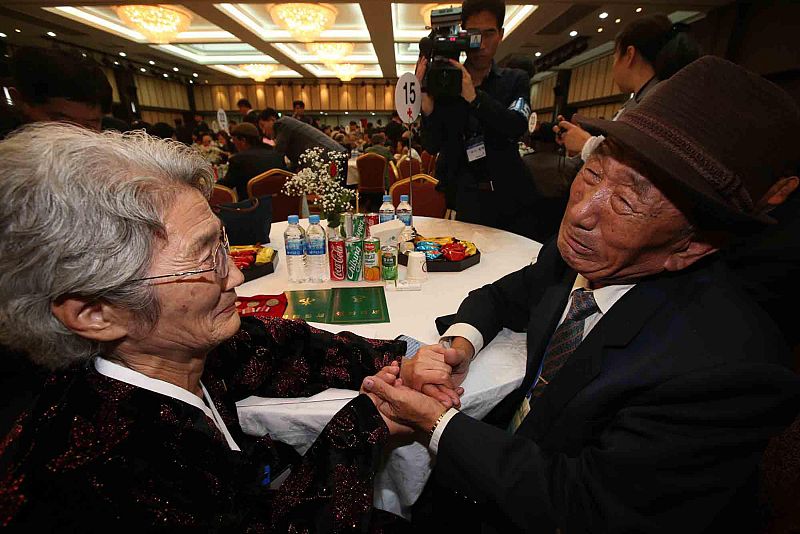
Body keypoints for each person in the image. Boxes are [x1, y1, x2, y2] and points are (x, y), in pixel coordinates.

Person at [362, 57, 800, 533]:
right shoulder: (582, 252)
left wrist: (438, 424)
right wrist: (460, 346)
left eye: (626, 202)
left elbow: (587, 506)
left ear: (691, 245)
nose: (581, 213)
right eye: (593, 173)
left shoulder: (729, 371)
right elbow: (504, 295)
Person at [0, 123, 420, 531]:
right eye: (205, 259)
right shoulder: (105, 471)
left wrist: (404, 357)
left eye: (223, 244)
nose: (236, 277)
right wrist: (365, 426)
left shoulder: (167, 350)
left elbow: (279, 343)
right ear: (95, 313)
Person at [417, 0, 537, 236]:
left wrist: (474, 97)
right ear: (462, 35)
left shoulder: (515, 80)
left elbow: (515, 126)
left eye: (489, 33)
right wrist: (427, 109)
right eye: (474, 34)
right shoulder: (445, 81)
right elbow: (432, 145)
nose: (481, 43)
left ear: (501, 34)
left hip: (508, 199)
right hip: (462, 200)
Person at [554, 15, 700, 163]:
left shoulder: (657, 104)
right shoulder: (645, 99)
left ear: (629, 55)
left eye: (615, 56)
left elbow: (636, 166)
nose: (613, 66)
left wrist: (586, 144)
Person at [0, 46, 112, 136]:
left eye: (90, 125)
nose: (77, 136)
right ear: (19, 100)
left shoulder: (112, 132)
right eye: (63, 122)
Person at [216, 123, 286, 200]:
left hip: (250, 207)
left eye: (234, 141)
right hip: (277, 204)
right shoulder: (276, 155)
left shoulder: (239, 159)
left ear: (243, 140)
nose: (234, 145)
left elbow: (226, 186)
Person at [271, 114, 348, 172]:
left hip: (329, 156)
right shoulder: (288, 124)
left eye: (263, 125)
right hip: (333, 154)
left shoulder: (282, 124)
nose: (263, 131)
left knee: (332, 190)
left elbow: (278, 153)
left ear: (272, 119)